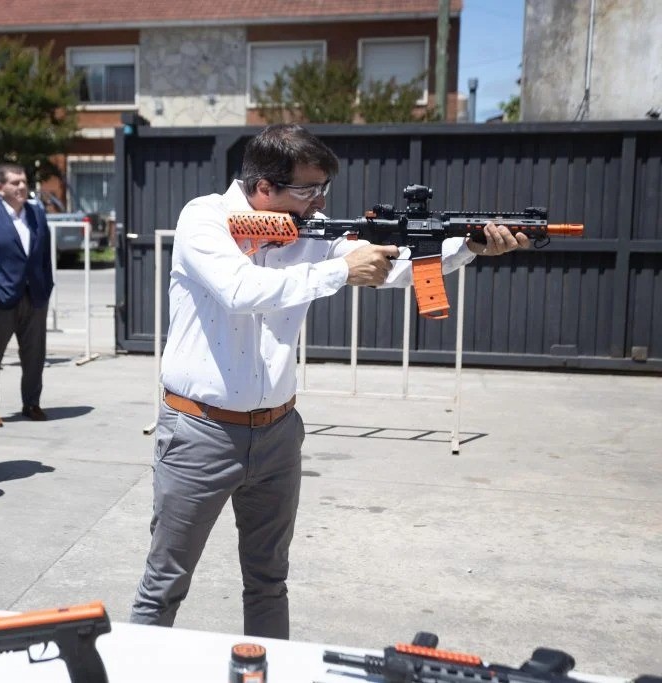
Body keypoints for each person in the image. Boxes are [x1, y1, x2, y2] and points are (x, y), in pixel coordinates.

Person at [129, 123, 530, 639]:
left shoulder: (311, 230)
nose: (320, 202)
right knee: (164, 584)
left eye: (324, 188)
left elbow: (390, 268)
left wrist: (465, 247)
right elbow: (241, 289)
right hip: (199, 432)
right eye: (309, 190)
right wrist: (341, 271)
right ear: (264, 187)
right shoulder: (203, 218)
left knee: (269, 582)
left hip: (277, 435)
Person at [0, 163, 54, 427]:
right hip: (0, 298)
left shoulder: (36, 213)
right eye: (15, 182)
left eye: (24, 181)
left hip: (35, 296)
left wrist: (47, 286)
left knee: (34, 356)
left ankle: (32, 403)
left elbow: (44, 255)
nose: (21, 186)